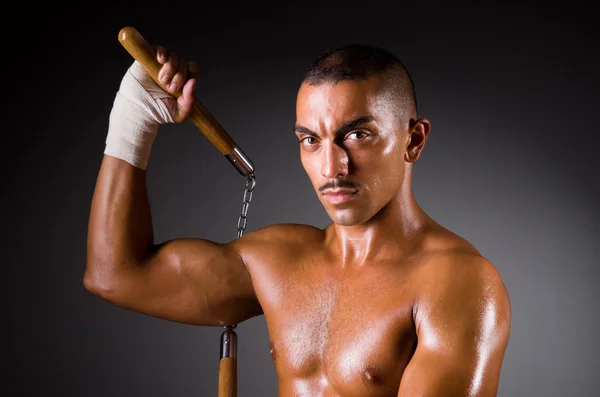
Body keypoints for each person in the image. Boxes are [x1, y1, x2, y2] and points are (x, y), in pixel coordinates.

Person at [85, 41, 511, 396]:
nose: (332, 166)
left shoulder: (458, 282)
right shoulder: (280, 261)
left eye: (357, 135)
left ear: (413, 140)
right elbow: (116, 274)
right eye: (310, 139)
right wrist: (132, 119)